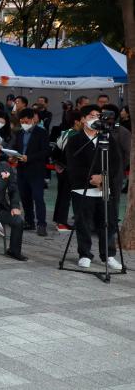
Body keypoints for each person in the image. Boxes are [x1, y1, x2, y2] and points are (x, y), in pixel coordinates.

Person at [66, 105, 123, 270]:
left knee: (108, 222)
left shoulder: (107, 138)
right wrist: (92, 178)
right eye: (91, 116)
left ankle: (108, 255)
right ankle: (85, 254)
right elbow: (73, 164)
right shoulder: (75, 140)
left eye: (98, 116)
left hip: (104, 187)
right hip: (82, 187)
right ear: (83, 119)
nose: (95, 119)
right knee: (83, 222)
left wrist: (103, 178)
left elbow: (115, 162)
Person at [9, 108, 50, 236]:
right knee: (25, 197)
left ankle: (41, 224)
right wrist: (13, 156)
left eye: (26, 121)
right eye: (22, 121)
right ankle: (29, 221)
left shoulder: (41, 133)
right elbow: (17, 148)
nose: (24, 123)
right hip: (21, 170)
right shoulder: (20, 133)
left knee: (38, 198)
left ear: (33, 119)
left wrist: (29, 158)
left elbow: (46, 151)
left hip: (36, 170)